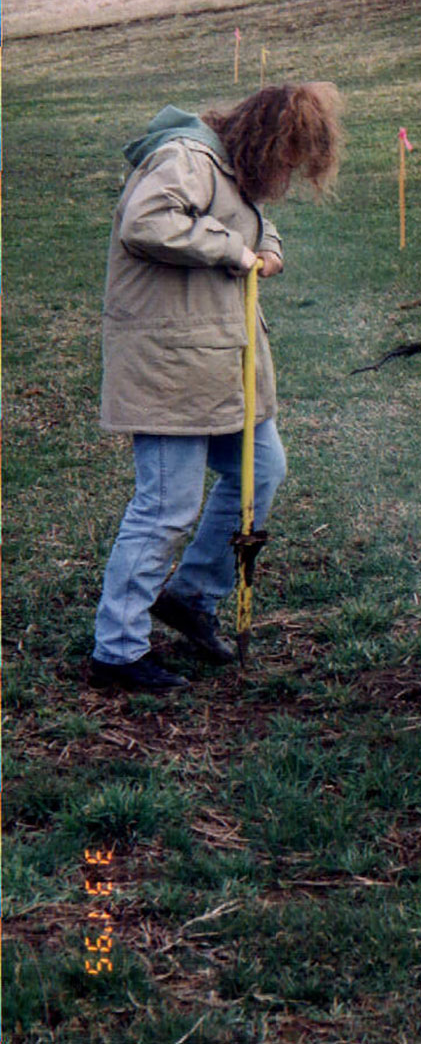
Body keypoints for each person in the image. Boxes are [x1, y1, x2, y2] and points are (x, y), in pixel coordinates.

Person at [90, 84, 343, 693]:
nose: (286, 174)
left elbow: (248, 225)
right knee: (164, 510)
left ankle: (191, 595)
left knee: (263, 469)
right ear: (264, 140)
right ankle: (116, 652)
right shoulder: (186, 158)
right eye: (287, 160)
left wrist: (265, 249)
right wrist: (236, 252)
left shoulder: (228, 172)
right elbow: (147, 222)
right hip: (170, 369)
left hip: (220, 369)